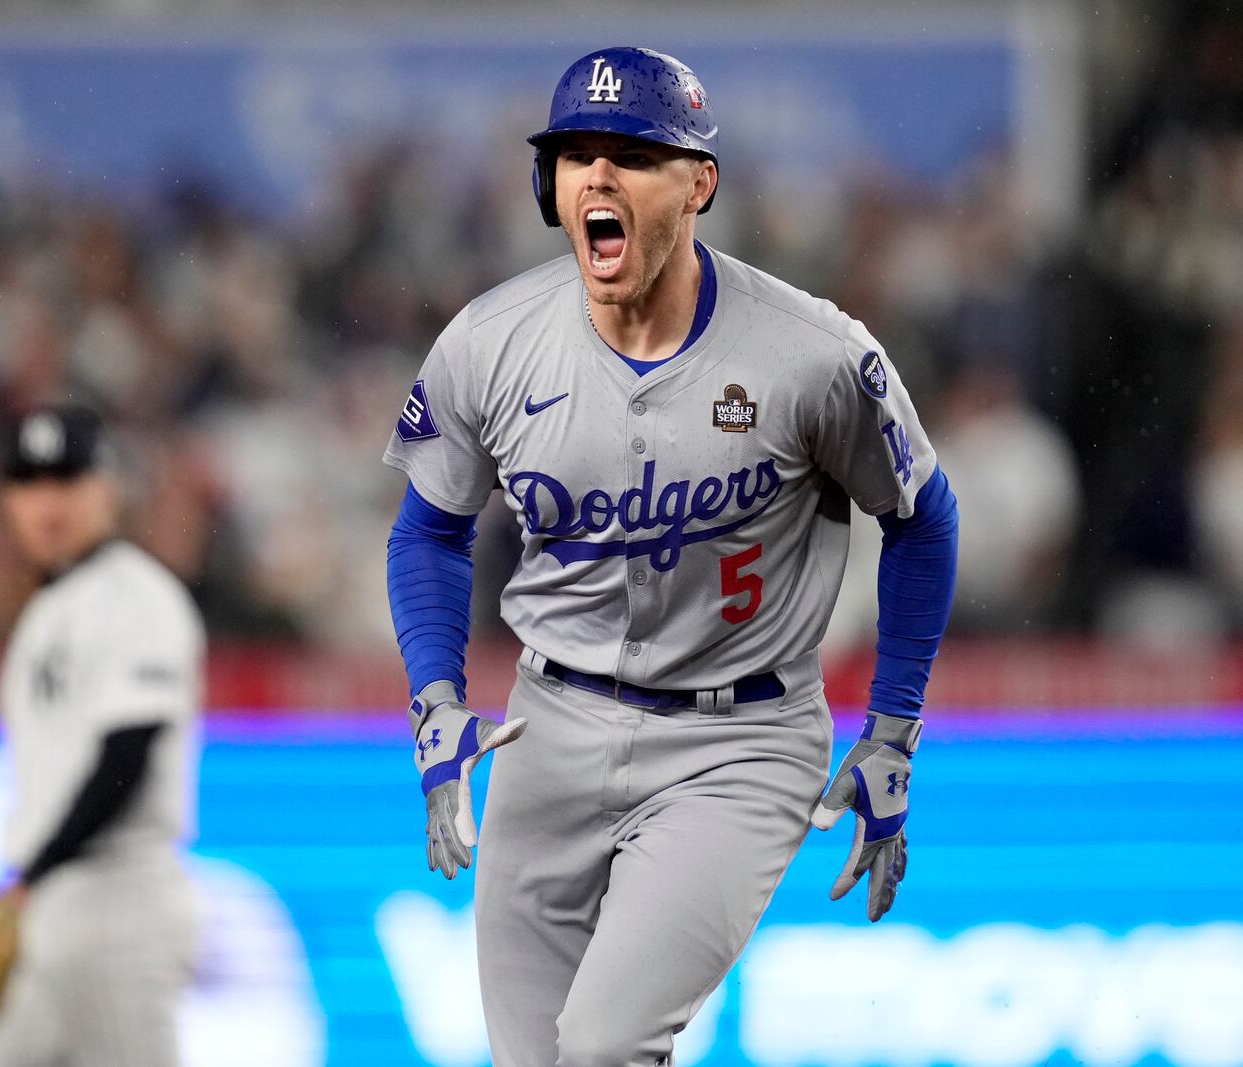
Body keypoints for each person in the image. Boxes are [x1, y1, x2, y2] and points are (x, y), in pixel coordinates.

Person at [384, 47, 958, 1067]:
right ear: (546, 187)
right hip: (548, 726)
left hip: (738, 742)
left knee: (603, 1045)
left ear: (699, 183)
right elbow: (428, 526)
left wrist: (894, 730)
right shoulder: (489, 342)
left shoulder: (810, 354)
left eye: (633, 156)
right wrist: (433, 696)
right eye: (575, 157)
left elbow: (922, 514)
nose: (598, 178)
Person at [0, 403, 203, 1066]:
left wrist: (35, 869)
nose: (48, 503)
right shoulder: (50, 606)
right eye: (30, 484)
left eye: (67, 481)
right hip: (54, 906)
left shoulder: (137, 594)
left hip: (119, 900)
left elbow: (125, 756)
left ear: (108, 487)